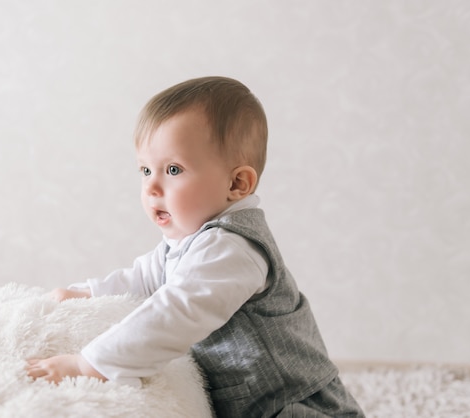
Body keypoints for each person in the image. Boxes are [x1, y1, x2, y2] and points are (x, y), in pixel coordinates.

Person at [26, 76, 364, 417]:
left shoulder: (233, 249)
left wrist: (91, 364)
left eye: (173, 169)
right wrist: (88, 294)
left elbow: (176, 312)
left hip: (293, 405)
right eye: (145, 169)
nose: (152, 187)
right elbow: (144, 279)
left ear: (237, 183)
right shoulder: (189, 241)